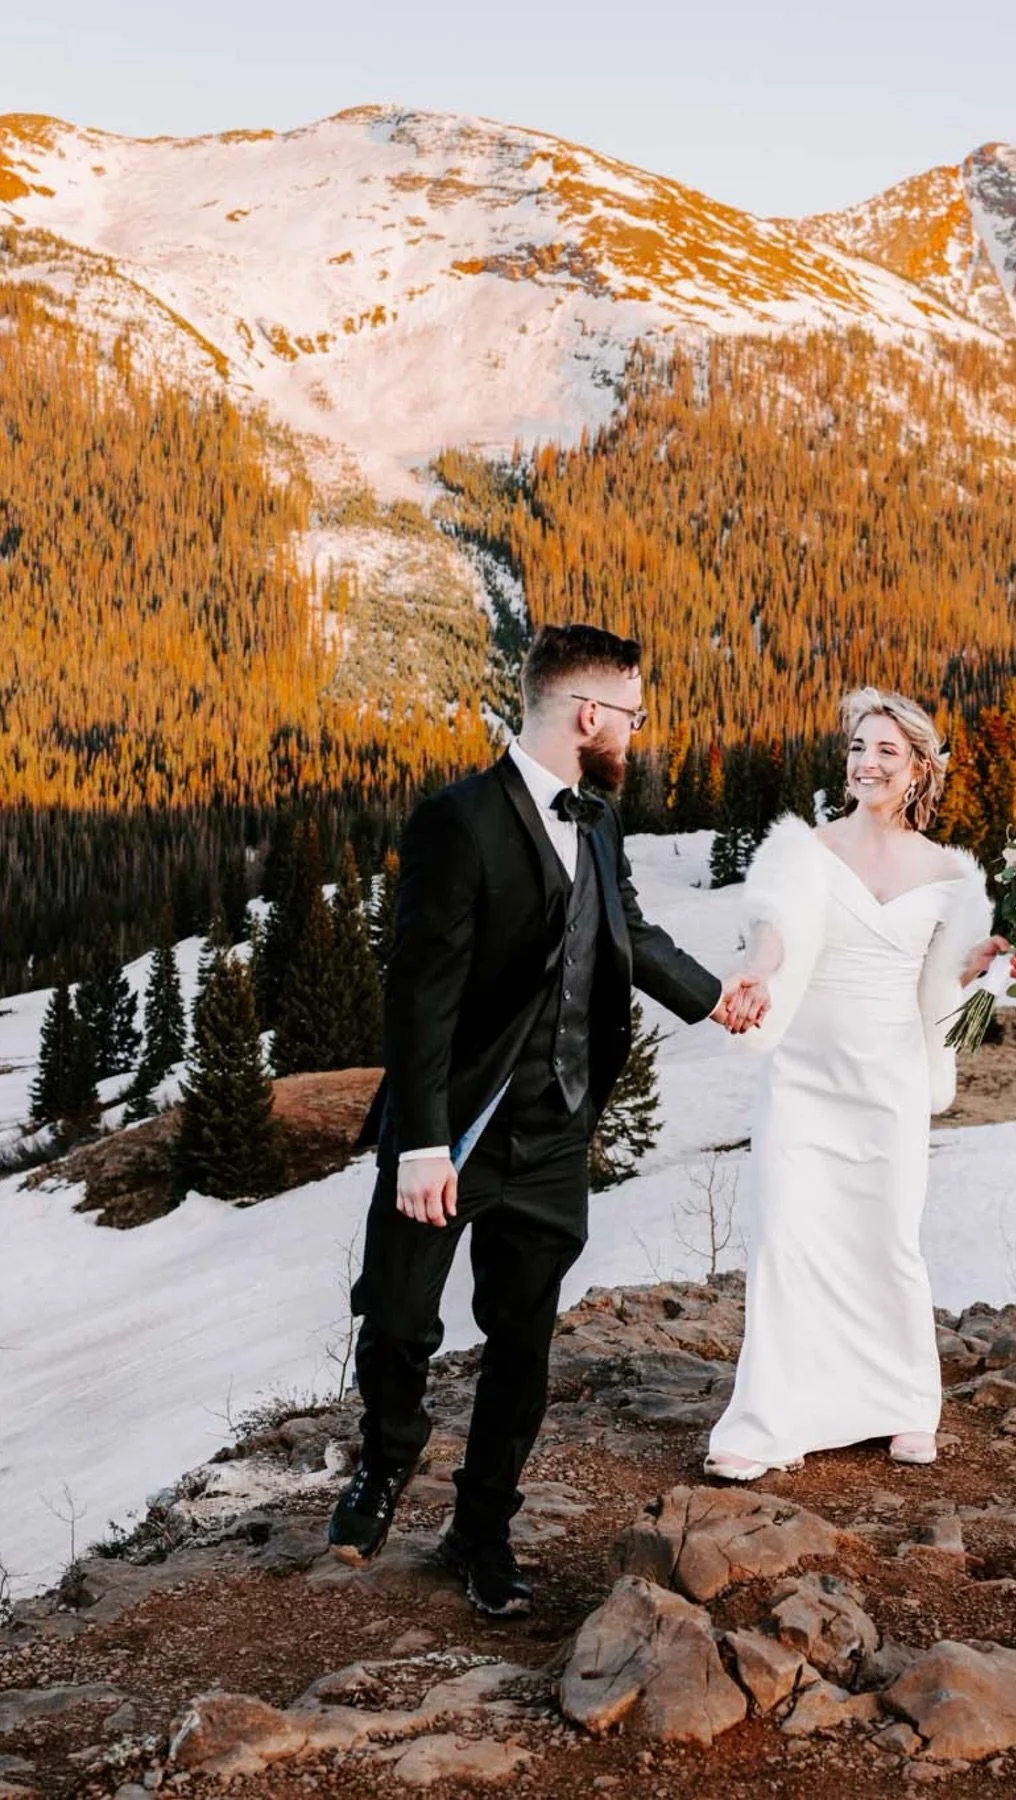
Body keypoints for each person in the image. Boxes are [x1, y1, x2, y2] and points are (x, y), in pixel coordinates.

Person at [331, 624, 766, 1614]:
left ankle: (481, 1530)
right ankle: (386, 1459)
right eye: (632, 718)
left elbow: (627, 933)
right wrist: (423, 1143)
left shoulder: (600, 821)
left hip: (555, 1134)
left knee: (521, 1347)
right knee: (398, 1321)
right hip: (456, 1130)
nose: (636, 737)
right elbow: (421, 994)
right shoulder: (459, 821)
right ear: (587, 716)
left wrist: (713, 999)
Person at [705, 687, 1016, 1480]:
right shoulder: (803, 850)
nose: (867, 764)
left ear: (919, 768)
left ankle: (905, 1404)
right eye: (857, 749)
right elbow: (775, 927)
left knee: (886, 1240)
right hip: (805, 1078)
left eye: (886, 751)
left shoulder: (954, 875)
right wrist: (756, 970)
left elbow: (947, 984)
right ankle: (770, 1418)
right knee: (787, 1237)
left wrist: (988, 965)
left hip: (889, 1078)